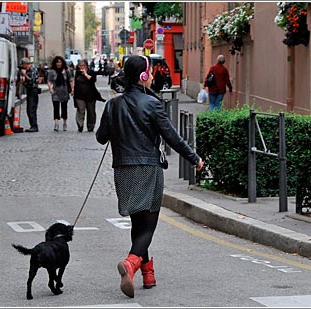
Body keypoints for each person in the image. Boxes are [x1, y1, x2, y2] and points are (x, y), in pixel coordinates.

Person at [96, 55, 204, 298]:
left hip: (122, 169)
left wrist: (115, 123)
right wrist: (194, 158)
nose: (153, 76)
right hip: (147, 168)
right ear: (144, 76)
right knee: (149, 226)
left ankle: (148, 273)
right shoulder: (152, 103)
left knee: (138, 223)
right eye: (151, 72)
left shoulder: (113, 105)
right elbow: (172, 137)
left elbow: (101, 137)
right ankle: (131, 263)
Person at [47, 56, 73, 132]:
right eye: (57, 62)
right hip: (55, 92)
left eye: (60, 62)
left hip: (64, 91)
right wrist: (50, 88)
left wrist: (72, 89)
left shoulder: (67, 71)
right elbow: (49, 80)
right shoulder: (52, 72)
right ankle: (56, 124)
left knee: (64, 108)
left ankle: (65, 123)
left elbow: (70, 80)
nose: (59, 63)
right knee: (56, 108)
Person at [73, 59, 98, 132]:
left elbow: (93, 80)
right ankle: (80, 125)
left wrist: (86, 74)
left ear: (86, 66)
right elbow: (76, 83)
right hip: (79, 96)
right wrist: (73, 91)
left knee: (91, 112)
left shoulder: (91, 72)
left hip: (90, 95)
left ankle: (90, 126)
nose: (81, 67)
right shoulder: (77, 73)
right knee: (80, 110)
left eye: (83, 65)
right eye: (80, 65)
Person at [18, 57, 40, 132]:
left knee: (31, 109)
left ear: (26, 64)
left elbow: (32, 80)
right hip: (30, 90)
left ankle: (34, 126)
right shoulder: (29, 70)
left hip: (33, 91)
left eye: (23, 65)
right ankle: (33, 125)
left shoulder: (32, 69)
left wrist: (24, 75)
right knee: (29, 109)